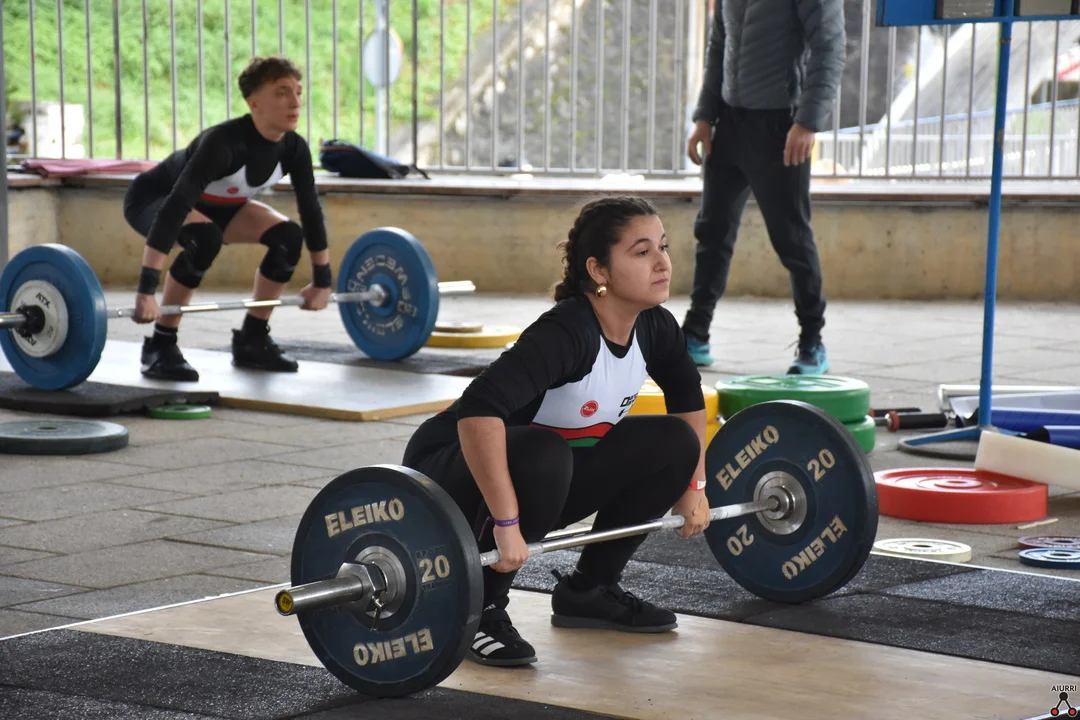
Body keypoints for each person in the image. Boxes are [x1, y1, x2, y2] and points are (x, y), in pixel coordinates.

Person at [402, 196, 711, 668]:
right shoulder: (568, 332)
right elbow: (479, 410)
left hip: (543, 475)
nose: (662, 262)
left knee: (675, 443)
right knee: (546, 451)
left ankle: (589, 591)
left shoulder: (654, 326)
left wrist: (694, 487)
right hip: (446, 475)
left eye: (663, 247)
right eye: (642, 251)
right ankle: (477, 609)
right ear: (599, 270)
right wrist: (506, 523)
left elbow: (688, 396)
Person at [123, 56, 332, 381]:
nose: (295, 102)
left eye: (298, 92)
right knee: (205, 239)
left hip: (219, 207)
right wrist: (145, 291)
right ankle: (160, 345)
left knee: (288, 238)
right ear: (254, 103)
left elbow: (311, 211)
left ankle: (253, 339)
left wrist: (322, 281)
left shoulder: (293, 148)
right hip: (153, 199)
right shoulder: (223, 143)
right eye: (282, 92)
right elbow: (174, 209)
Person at [682, 0, 846, 375]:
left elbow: (829, 46)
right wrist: (705, 116)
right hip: (728, 124)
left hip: (780, 128)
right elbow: (719, 44)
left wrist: (807, 122)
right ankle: (695, 335)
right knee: (712, 232)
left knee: (792, 239)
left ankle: (812, 342)